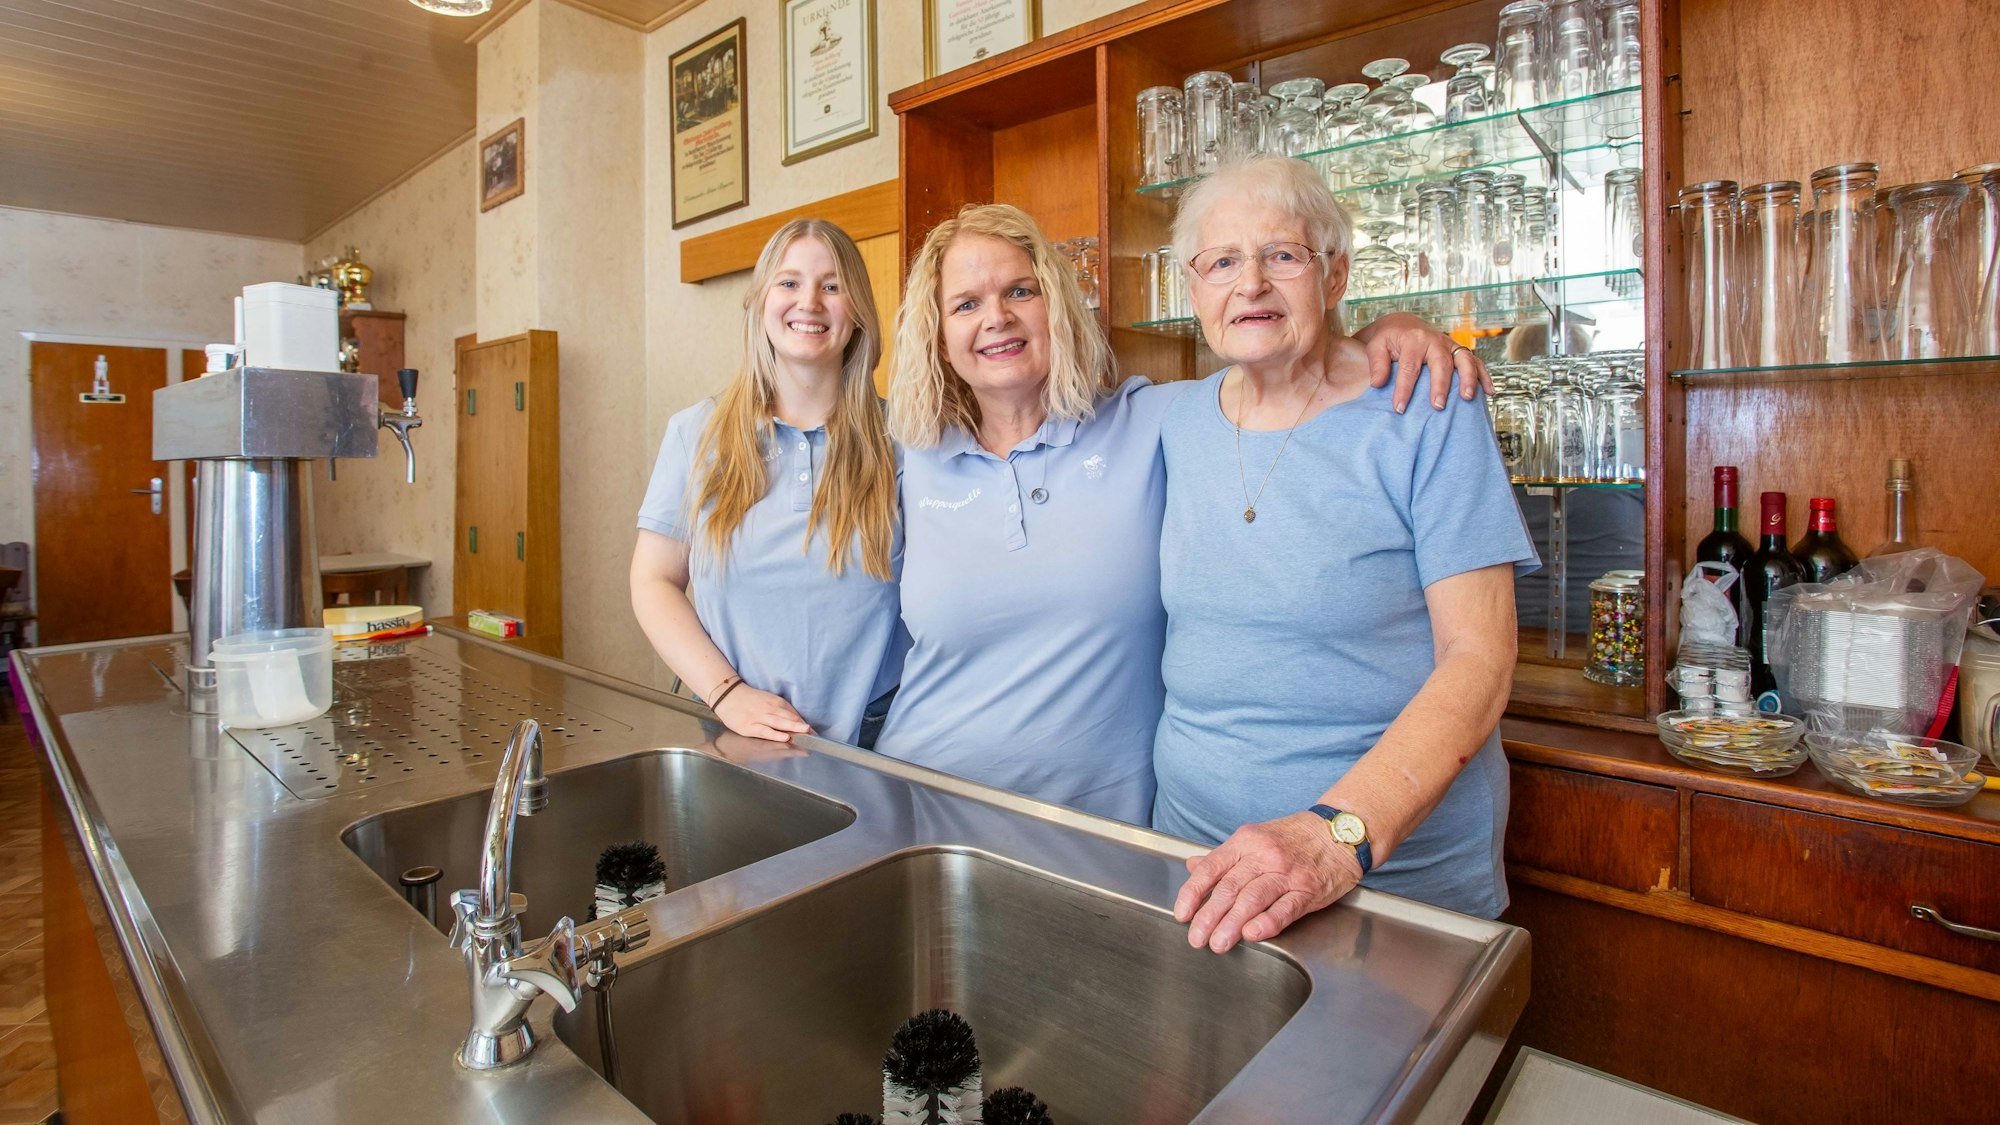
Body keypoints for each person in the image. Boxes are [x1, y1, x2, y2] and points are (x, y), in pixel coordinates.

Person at [873, 201, 1490, 825]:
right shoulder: (906, 457)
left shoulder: (1156, 420)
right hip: (922, 802)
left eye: (1020, 291)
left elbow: (1285, 365)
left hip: (1098, 828)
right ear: (938, 336)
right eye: (966, 304)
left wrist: (1395, 328)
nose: (997, 318)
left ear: (1056, 307)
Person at [1151, 156, 1538, 953]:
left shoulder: (1424, 408)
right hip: (1194, 862)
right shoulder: (1171, 421)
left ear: (1334, 276)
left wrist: (1337, 836)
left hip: (1389, 876)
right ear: (1193, 291)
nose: (1250, 283)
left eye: (1283, 255)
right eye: (1222, 261)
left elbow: (1480, 657)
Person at [631, 219, 902, 746]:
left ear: (859, 311)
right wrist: (727, 693)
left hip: (877, 739)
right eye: (789, 282)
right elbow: (653, 582)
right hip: (727, 726)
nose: (810, 302)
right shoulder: (696, 433)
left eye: (832, 285)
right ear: (760, 303)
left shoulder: (905, 442)